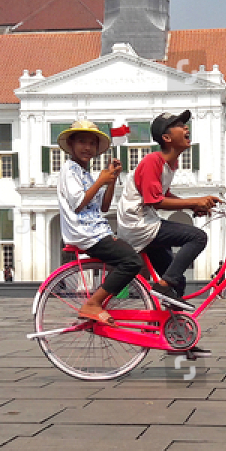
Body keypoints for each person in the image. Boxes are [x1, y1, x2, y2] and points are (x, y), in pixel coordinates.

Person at [125, 110, 216, 304]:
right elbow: (155, 201)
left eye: (185, 125)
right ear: (166, 137)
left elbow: (164, 195)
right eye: (179, 125)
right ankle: (162, 286)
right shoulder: (153, 161)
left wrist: (192, 207)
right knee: (197, 237)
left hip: (147, 223)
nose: (185, 127)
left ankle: (164, 325)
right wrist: (195, 201)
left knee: (177, 279)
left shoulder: (169, 164)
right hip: (139, 224)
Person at [55, 119, 140, 325]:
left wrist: (110, 180)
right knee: (132, 261)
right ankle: (93, 304)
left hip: (97, 230)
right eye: (82, 142)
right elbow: (78, 203)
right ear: (71, 145)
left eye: (92, 143)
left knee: (134, 256)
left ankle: (100, 305)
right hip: (85, 232)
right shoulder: (69, 170)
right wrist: (102, 180)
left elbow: (103, 206)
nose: (87, 147)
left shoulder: (85, 174)